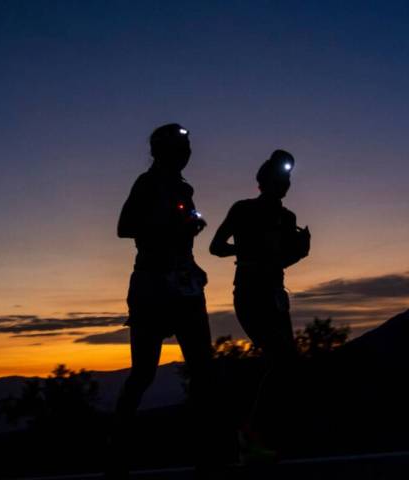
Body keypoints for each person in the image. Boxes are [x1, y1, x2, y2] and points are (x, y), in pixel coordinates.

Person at [110, 124, 214, 474]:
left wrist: (191, 253)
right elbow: (125, 227)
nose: (186, 153)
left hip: (183, 282)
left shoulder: (184, 188)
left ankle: (208, 450)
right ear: (162, 152)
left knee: (203, 369)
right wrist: (172, 227)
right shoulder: (147, 183)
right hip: (153, 284)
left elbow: (182, 235)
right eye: (179, 147)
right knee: (143, 373)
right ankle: (117, 451)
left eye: (186, 147)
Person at [209, 149, 310, 461]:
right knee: (282, 360)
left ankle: (269, 435)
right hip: (251, 292)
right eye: (281, 178)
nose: (285, 184)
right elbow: (215, 247)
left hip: (276, 293)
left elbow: (281, 260)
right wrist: (246, 250)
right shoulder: (242, 210)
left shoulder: (288, 218)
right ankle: (247, 434)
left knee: (287, 363)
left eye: (288, 179)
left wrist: (299, 252)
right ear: (264, 181)